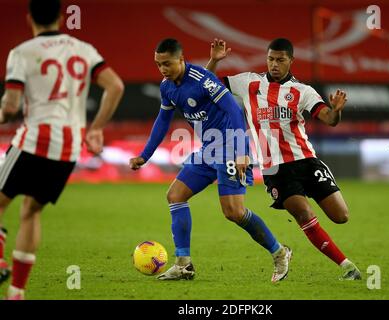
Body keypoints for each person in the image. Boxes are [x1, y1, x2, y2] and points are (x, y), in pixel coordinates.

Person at [129, 38, 291, 282]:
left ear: (181, 60)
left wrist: (241, 152)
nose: (162, 69)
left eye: (167, 63)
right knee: (175, 196)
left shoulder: (202, 79)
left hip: (229, 146)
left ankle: (279, 252)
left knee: (234, 212)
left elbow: (234, 111)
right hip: (208, 149)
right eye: (158, 64)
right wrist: (145, 155)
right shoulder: (167, 87)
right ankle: (183, 264)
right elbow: (162, 121)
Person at [206, 38, 361, 280]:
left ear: (291, 61)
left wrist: (337, 110)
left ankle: (342, 262)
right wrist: (215, 61)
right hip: (275, 168)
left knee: (341, 216)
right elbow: (209, 84)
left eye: (280, 59)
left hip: (306, 161)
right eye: (270, 59)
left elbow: (329, 119)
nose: (274, 64)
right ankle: (347, 266)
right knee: (303, 214)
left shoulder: (303, 91)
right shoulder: (249, 81)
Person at [0, 0, 124, 299]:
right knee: (31, 212)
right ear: (60, 17)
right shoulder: (83, 48)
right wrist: (95, 128)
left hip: (35, 140)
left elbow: (12, 105)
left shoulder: (22, 53)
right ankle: (16, 292)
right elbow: (116, 86)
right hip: (68, 148)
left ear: (30, 18)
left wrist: (3, 111)